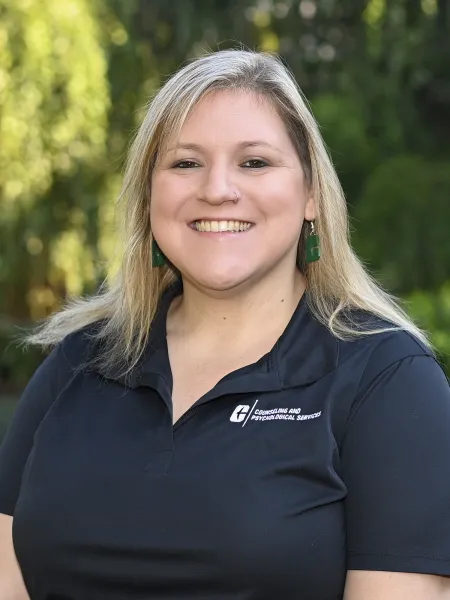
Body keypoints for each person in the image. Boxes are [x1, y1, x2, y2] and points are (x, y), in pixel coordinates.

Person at [0, 48, 450, 600]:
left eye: (254, 162)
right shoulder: (79, 361)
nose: (216, 189)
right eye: (185, 163)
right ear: (149, 197)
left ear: (311, 195)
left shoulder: (388, 380)